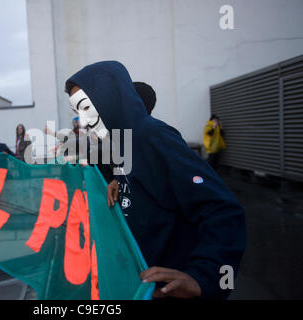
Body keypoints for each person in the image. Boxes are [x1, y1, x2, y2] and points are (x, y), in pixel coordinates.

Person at [65, 61, 246, 300]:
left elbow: (223, 210)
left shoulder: (153, 137)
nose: (82, 121)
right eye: (77, 111)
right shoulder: (121, 142)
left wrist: (205, 277)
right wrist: (118, 179)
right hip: (143, 287)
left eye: (87, 108)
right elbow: (147, 180)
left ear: (110, 99)